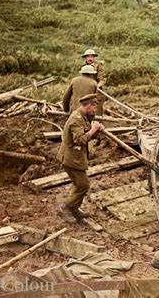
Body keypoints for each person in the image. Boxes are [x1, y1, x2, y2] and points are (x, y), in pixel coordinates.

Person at [57, 94, 105, 222]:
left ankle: (74, 209)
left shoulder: (83, 116)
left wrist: (97, 130)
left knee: (79, 185)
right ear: (89, 106)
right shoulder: (76, 119)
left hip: (76, 157)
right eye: (94, 107)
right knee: (83, 185)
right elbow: (79, 140)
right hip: (71, 158)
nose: (95, 110)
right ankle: (66, 207)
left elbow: (87, 134)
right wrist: (92, 130)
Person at [82, 48, 107, 115]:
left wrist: (98, 85)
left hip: (97, 92)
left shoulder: (99, 66)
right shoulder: (84, 67)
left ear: (94, 58)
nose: (90, 58)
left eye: (92, 56)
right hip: (87, 92)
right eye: (88, 56)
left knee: (97, 111)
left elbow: (102, 78)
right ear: (85, 58)